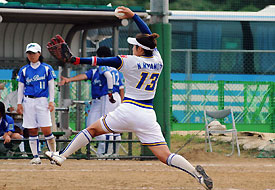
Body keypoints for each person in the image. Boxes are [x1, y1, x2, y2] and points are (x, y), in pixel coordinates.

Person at [46, 7, 213, 190]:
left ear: (140, 50)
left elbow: (99, 61)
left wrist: (75, 60)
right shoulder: (158, 60)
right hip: (147, 115)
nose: (132, 48)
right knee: (166, 155)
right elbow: (149, 37)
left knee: (92, 130)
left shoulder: (130, 61)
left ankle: (62, 156)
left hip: (129, 110)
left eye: (135, 46)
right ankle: (197, 175)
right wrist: (133, 16)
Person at [59, 46, 124, 157]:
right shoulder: (114, 69)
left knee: (107, 124)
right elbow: (121, 88)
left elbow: (107, 76)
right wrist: (69, 79)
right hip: (112, 97)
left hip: (107, 97)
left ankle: (106, 153)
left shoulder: (104, 66)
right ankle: (112, 153)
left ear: (101, 57)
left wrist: (109, 91)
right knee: (98, 125)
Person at [17, 42, 57, 164]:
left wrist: (52, 101)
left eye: (34, 53)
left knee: (46, 129)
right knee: (32, 130)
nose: (31, 55)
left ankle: (54, 155)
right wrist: (19, 103)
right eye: (29, 53)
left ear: (39, 54)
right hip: (28, 100)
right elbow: (21, 87)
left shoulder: (46, 68)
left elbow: (51, 85)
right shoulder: (24, 70)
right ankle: (36, 156)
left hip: (42, 100)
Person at [3, 69, 27, 157]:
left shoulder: (30, 96)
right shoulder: (11, 95)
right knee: (17, 132)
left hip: (28, 121)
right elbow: (4, 106)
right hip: (14, 121)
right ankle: (19, 151)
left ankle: (37, 151)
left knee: (34, 129)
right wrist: (9, 109)